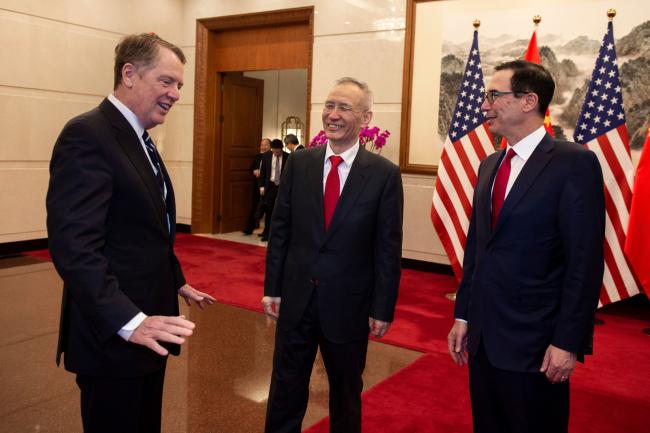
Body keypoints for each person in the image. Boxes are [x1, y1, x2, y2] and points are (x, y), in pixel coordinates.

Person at [46, 33, 216, 433]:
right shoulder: (88, 134)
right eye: (166, 81)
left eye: (179, 85)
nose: (175, 93)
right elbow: (74, 247)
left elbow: (144, 228)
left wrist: (174, 279)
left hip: (149, 331)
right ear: (129, 74)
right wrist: (129, 321)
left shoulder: (140, 138)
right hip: (114, 337)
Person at [447, 60, 605, 433]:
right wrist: (464, 315)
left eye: (494, 96)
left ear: (528, 101)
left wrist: (567, 341)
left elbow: (584, 263)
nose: (484, 106)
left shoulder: (574, 163)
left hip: (537, 346)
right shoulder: (489, 165)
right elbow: (477, 252)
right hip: (484, 341)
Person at [262, 77, 403, 433]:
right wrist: (272, 287)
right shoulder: (300, 163)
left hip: (349, 306)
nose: (333, 115)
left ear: (366, 117)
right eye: (329, 105)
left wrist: (382, 307)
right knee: (285, 388)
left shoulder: (384, 175)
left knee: (345, 394)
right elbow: (281, 230)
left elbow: (388, 248)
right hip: (296, 299)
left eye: (344, 107)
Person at [258, 138, 289, 242]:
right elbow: (263, 172)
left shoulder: (288, 157)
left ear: (282, 149)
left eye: (277, 152)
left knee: (280, 211)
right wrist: (261, 186)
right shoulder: (266, 156)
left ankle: (278, 233)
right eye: (274, 151)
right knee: (269, 210)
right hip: (270, 186)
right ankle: (267, 233)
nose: (275, 153)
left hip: (281, 187)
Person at [243, 138, 271, 235]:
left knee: (267, 209)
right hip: (257, 185)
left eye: (266, 145)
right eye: (262, 145)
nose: (263, 147)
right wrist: (254, 171)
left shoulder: (272, 157)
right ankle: (249, 228)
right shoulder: (258, 156)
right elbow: (251, 168)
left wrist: (263, 173)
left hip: (267, 187)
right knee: (254, 206)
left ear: (270, 146)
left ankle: (267, 231)